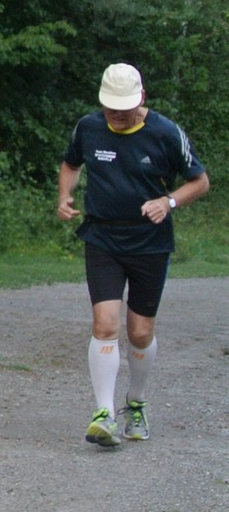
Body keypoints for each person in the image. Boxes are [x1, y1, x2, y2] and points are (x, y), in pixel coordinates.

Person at [57, 61, 209, 448]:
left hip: (150, 243)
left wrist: (168, 202)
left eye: (124, 108)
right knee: (105, 324)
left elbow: (200, 182)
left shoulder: (165, 132)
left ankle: (136, 403)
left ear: (141, 98)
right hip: (102, 238)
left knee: (140, 333)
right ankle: (103, 415)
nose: (117, 115)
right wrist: (64, 196)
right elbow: (71, 164)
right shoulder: (88, 127)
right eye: (111, 108)